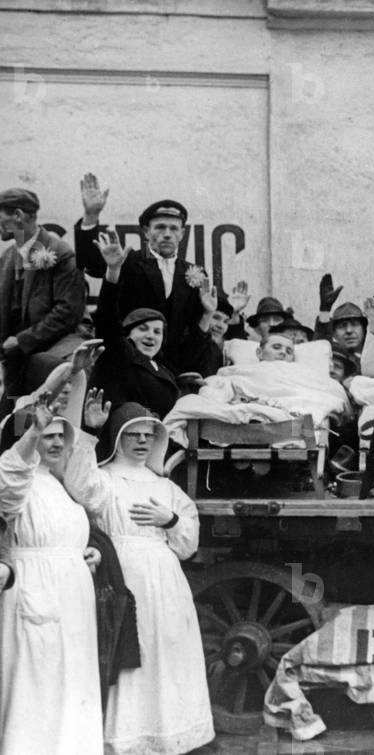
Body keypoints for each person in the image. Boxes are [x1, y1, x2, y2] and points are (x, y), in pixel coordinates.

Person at [65, 402, 214, 754]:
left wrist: (171, 521)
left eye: (149, 434)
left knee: (168, 650)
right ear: (118, 437)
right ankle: (128, 739)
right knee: (133, 653)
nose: (142, 441)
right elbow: (80, 488)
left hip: (165, 579)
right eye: (133, 433)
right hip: (121, 574)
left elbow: (188, 544)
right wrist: (90, 435)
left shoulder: (166, 487)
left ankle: (173, 734)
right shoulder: (105, 478)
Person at [0, 399, 104, 755]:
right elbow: (9, 485)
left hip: (72, 593)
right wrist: (30, 434)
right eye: (47, 435)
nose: (57, 442)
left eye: (62, 435)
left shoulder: (58, 484)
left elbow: (74, 524)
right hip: (35, 587)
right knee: (37, 677)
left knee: (71, 678)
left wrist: (85, 552)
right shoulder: (16, 478)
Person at [74, 176, 205, 373]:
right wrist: (90, 216)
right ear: (146, 231)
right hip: (129, 364)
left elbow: (195, 326)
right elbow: (90, 264)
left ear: (182, 234)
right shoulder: (128, 261)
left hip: (175, 369)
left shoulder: (194, 272)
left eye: (173, 228)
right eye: (160, 227)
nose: (167, 233)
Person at [0, 187, 87, 398]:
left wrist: (21, 341)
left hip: (56, 348)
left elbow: (68, 312)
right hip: (19, 354)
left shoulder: (60, 253)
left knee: (46, 411)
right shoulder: (7, 257)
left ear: (18, 216)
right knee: (15, 417)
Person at [90, 231, 181, 418]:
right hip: (121, 437)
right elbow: (107, 319)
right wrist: (113, 271)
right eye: (143, 328)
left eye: (157, 332)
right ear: (128, 334)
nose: (151, 336)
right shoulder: (121, 355)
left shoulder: (164, 369)